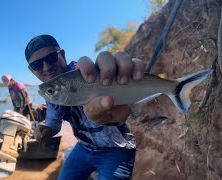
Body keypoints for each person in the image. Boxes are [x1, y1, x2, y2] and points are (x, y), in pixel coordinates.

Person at [25, 34, 145, 180]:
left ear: (62, 54)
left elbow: (111, 89)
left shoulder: (86, 73)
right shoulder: (52, 92)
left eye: (51, 58)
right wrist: (47, 129)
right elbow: (53, 119)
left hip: (117, 149)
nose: (46, 67)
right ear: (31, 70)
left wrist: (117, 82)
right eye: (37, 65)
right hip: (83, 147)